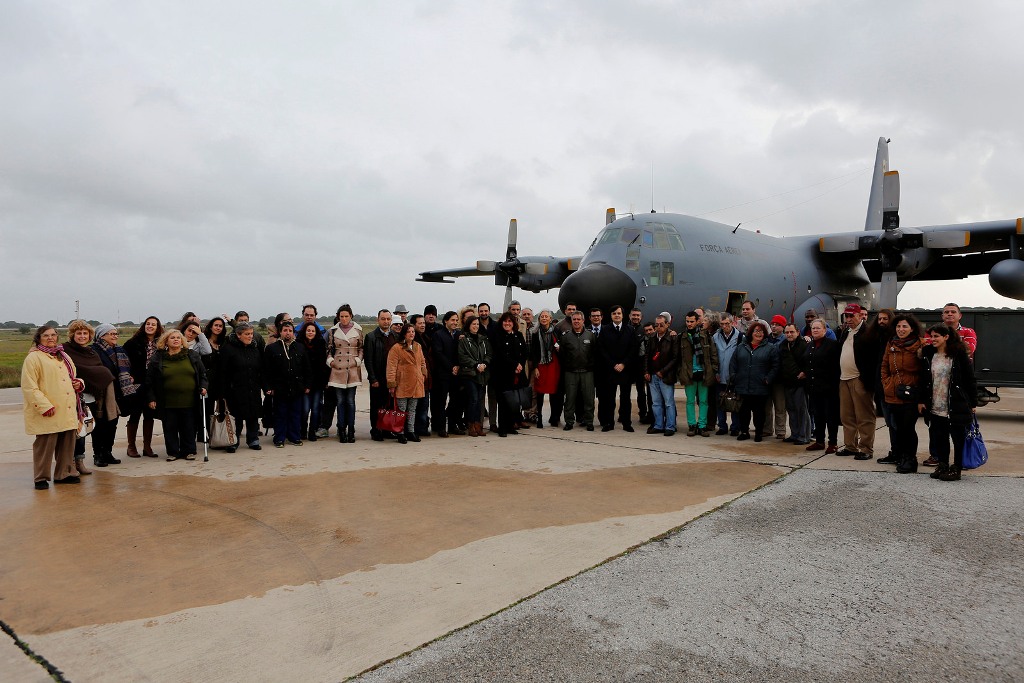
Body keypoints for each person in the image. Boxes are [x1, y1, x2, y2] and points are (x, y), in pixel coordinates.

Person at [22, 326, 86, 489]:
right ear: (38, 338)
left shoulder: (63, 356)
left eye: (53, 335)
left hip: (67, 407)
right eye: (46, 335)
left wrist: (79, 384)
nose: (50, 338)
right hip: (48, 409)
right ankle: (41, 478)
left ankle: (63, 474)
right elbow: (29, 387)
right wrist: (43, 406)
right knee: (45, 445)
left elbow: (73, 377)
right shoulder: (33, 358)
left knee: (67, 444)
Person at [919, 324, 977, 481]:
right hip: (936, 403)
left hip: (955, 403)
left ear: (946, 337)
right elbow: (924, 380)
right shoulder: (928, 353)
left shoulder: (958, 354)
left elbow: (970, 379)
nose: (932, 339)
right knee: (940, 437)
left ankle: (956, 468)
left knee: (958, 438)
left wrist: (973, 403)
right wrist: (922, 400)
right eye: (931, 336)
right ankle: (943, 464)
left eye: (936, 336)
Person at [146, 329, 208, 461]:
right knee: (170, 428)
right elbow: (149, 380)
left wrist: (203, 386)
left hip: (189, 400)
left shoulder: (191, 355)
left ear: (182, 341)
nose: (176, 340)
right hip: (167, 401)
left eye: (178, 338)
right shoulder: (158, 358)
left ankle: (189, 451)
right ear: (166, 341)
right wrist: (151, 398)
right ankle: (173, 452)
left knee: (189, 427)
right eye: (172, 338)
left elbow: (203, 374)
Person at [62, 320, 115, 473]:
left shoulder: (92, 352)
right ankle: (69, 464)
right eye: (79, 333)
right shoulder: (64, 350)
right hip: (72, 397)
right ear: (73, 335)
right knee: (72, 433)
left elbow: (98, 370)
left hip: (90, 398)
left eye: (85, 333)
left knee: (83, 431)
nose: (82, 336)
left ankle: (80, 462)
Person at [878, 313, 926, 473]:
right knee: (896, 427)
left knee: (908, 428)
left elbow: (924, 371)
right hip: (893, 393)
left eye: (904, 326)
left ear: (912, 328)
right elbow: (884, 365)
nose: (901, 329)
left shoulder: (920, 345)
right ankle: (900, 456)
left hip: (911, 394)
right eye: (898, 326)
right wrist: (886, 382)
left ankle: (910, 459)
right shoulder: (891, 343)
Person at [836, 303, 880, 460]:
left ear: (860, 316)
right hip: (844, 379)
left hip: (859, 379)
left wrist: (867, 380)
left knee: (864, 416)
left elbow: (874, 359)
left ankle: (866, 448)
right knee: (846, 416)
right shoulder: (845, 332)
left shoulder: (868, 333)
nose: (848, 319)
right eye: (846, 316)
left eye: (851, 316)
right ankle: (850, 446)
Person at [93, 323, 138, 465]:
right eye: (111, 334)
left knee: (113, 423)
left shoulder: (119, 350)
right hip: (102, 392)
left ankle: (108, 452)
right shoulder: (94, 350)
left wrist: (128, 377)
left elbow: (125, 368)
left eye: (116, 333)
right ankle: (98, 454)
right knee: (101, 424)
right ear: (101, 336)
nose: (115, 336)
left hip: (118, 392)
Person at [729, 320, 779, 442]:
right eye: (756, 331)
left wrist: (768, 379)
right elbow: (733, 363)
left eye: (761, 331)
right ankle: (744, 431)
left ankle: (759, 433)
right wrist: (734, 377)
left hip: (760, 386)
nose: (759, 333)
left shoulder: (770, 348)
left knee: (759, 413)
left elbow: (775, 366)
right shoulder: (741, 347)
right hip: (743, 385)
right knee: (743, 411)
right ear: (751, 332)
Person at [264, 320, 311, 448]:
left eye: (290, 331)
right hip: (279, 388)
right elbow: (266, 370)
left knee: (295, 414)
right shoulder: (271, 349)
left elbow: (307, 368)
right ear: (280, 332)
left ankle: (294, 437)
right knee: (280, 414)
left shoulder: (300, 347)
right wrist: (268, 387)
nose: (288, 333)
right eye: (285, 331)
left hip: (297, 388)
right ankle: (279, 438)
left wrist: (307, 385)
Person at [122, 316, 163, 458]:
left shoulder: (161, 343)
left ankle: (147, 447)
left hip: (153, 383)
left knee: (149, 415)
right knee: (135, 414)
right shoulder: (132, 343)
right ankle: (131, 446)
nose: (150, 326)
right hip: (137, 383)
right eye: (148, 324)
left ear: (158, 327)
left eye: (153, 324)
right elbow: (124, 361)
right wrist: (129, 376)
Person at [220, 321, 264, 452]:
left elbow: (260, 369)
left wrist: (264, 385)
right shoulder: (228, 349)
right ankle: (233, 441)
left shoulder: (254, 348)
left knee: (253, 415)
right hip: (235, 389)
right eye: (247, 334)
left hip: (253, 387)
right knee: (236, 416)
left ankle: (253, 439)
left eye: (251, 333)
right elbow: (223, 372)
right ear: (238, 335)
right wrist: (223, 392)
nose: (250, 336)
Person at [326, 304, 365, 443]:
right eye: (341, 316)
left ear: (351, 316)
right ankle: (341, 430)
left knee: (350, 401)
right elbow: (329, 349)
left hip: (353, 369)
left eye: (346, 316)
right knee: (340, 401)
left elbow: (361, 348)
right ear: (338, 317)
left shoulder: (358, 330)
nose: (343, 319)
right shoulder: (332, 331)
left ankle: (351, 430)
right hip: (338, 369)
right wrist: (331, 361)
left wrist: (358, 361)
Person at [801, 319, 841, 453]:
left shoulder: (833, 345)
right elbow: (807, 363)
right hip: (813, 387)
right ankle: (819, 441)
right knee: (818, 415)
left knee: (831, 416)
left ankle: (833, 442)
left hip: (829, 387)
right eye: (813, 328)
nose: (815, 330)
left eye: (818, 328)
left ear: (825, 330)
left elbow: (836, 367)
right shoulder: (810, 345)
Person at [596, 305, 637, 432]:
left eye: (619, 313)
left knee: (625, 398)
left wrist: (623, 364)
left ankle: (626, 423)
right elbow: (601, 350)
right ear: (611, 316)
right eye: (614, 313)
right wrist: (613, 364)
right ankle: (609, 423)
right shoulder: (605, 330)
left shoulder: (630, 330)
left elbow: (633, 349)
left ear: (623, 315)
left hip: (625, 370)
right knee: (609, 398)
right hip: (610, 369)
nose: (617, 315)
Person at [678, 311, 718, 437]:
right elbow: (678, 357)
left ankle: (702, 426)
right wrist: (680, 372)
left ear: (697, 322)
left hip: (703, 372)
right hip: (689, 373)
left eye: (691, 321)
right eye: (687, 321)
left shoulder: (705, 336)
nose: (689, 324)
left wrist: (713, 369)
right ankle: (692, 425)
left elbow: (713, 354)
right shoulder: (682, 337)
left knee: (704, 401)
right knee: (690, 401)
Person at [490, 312, 529, 437]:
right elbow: (500, 354)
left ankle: (511, 425)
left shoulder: (518, 335)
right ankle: (502, 427)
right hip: (502, 374)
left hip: (517, 374)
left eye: (510, 322)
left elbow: (524, 352)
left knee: (514, 402)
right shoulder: (498, 336)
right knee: (503, 401)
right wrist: (514, 365)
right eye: (505, 321)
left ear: (514, 323)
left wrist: (520, 365)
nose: (507, 324)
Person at [559, 311, 597, 431]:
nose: (576, 321)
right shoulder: (565, 336)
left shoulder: (590, 335)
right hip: (571, 372)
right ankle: (569, 421)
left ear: (583, 320)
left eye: (578, 319)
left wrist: (590, 366)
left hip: (587, 372)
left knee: (589, 398)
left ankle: (589, 421)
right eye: (574, 319)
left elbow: (594, 353)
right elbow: (562, 355)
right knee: (570, 398)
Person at [364, 309, 396, 442]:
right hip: (377, 377)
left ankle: (387, 429)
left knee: (389, 404)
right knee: (376, 406)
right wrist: (372, 378)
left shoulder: (395, 336)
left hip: (390, 378)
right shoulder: (371, 337)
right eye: (383, 319)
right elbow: (368, 360)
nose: (386, 321)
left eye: (388, 319)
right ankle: (376, 430)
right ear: (378, 320)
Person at [430, 311, 464, 437]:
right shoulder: (438, 335)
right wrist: (451, 367)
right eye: (452, 320)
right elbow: (438, 353)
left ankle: (452, 425)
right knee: (441, 401)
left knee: (455, 401)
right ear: (446, 321)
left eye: (456, 320)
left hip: (457, 374)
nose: (455, 322)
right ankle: (441, 427)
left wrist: (458, 367)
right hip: (443, 374)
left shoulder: (459, 335)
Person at [458, 315, 492, 437]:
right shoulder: (463, 340)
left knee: (479, 401)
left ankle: (478, 424)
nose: (476, 326)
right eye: (473, 324)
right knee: (473, 399)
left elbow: (489, 354)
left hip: (482, 375)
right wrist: (476, 364)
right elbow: (462, 357)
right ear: (468, 325)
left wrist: (484, 363)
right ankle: (471, 424)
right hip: (469, 374)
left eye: (477, 324)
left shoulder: (483, 339)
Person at [645, 314, 678, 436]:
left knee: (669, 403)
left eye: (661, 325)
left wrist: (663, 371)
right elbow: (647, 356)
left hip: (666, 376)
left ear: (668, 324)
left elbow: (675, 358)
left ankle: (670, 426)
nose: (658, 327)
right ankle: (658, 425)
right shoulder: (652, 337)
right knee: (656, 402)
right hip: (653, 375)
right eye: (656, 325)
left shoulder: (673, 338)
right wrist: (646, 371)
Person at [778, 324, 811, 445]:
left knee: (801, 410)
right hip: (787, 382)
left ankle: (804, 436)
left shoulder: (804, 344)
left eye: (791, 332)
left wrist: (805, 372)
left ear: (797, 332)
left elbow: (810, 361)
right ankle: (795, 434)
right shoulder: (783, 345)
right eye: (787, 332)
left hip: (800, 383)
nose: (789, 335)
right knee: (791, 410)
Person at [529, 309, 561, 429]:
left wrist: (559, 349)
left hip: (553, 364)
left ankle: (553, 417)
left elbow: (561, 345)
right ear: (539, 319)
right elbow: (533, 352)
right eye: (542, 316)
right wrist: (536, 367)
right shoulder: (535, 332)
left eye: (546, 316)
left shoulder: (556, 331)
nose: (543, 318)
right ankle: (540, 417)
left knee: (553, 392)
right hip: (541, 364)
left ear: (550, 319)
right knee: (540, 392)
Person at [713, 313, 743, 436]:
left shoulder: (740, 337)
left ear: (733, 323)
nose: (724, 326)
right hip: (720, 375)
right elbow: (713, 356)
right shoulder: (715, 337)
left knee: (735, 402)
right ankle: (722, 426)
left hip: (734, 376)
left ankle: (735, 427)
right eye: (722, 324)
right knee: (720, 402)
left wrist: (737, 374)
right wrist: (715, 372)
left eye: (727, 324)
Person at [299, 320, 329, 442]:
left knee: (316, 408)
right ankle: (303, 430)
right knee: (305, 409)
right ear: (304, 332)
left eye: (313, 330)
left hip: (318, 382)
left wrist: (325, 381)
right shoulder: (299, 344)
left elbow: (323, 364)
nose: (310, 332)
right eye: (308, 330)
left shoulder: (321, 343)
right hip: (304, 382)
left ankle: (312, 431)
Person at [201, 317, 229, 434]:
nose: (218, 328)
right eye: (216, 325)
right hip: (208, 380)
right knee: (208, 409)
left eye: (220, 326)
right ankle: (207, 433)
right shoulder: (203, 341)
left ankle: (222, 434)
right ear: (211, 327)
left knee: (223, 408)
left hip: (222, 379)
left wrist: (231, 321)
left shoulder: (225, 342)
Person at [762, 315, 788, 439]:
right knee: (766, 406)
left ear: (782, 327)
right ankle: (767, 429)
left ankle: (781, 430)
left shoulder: (786, 340)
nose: (773, 326)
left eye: (777, 325)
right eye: (772, 324)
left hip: (780, 379)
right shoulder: (766, 339)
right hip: (767, 378)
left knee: (780, 406)